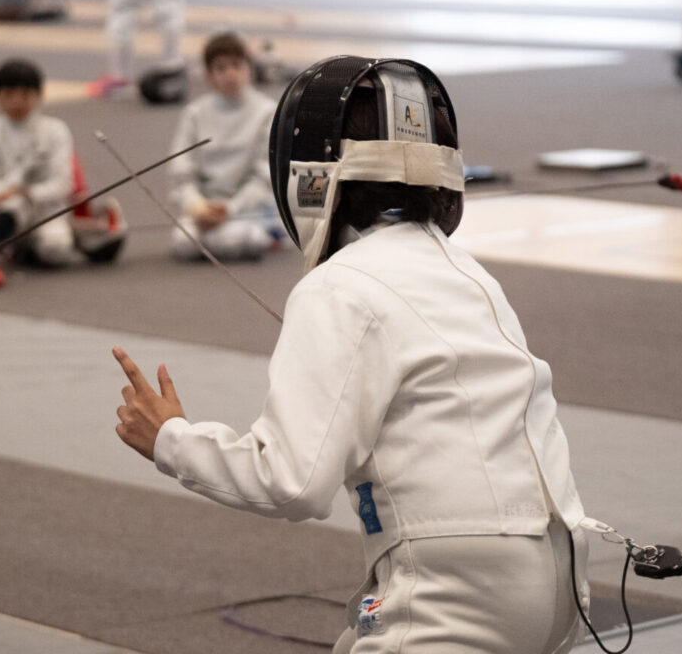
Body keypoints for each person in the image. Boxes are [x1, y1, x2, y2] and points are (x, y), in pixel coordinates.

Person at [113, 56, 589, 653]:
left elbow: (292, 481)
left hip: (455, 586)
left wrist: (170, 439)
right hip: (559, 576)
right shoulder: (468, 274)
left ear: (313, 173)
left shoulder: (337, 287)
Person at [0, 58, 124, 288]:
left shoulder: (55, 130)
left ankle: (24, 248)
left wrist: (27, 192)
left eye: (25, 94)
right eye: (9, 94)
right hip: (6, 216)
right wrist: (16, 186)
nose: (18, 101)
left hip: (50, 211)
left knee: (56, 250)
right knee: (14, 205)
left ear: (39, 95)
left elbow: (63, 184)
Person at [165, 32, 276, 262]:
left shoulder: (268, 112)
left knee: (240, 238)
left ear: (249, 68)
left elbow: (265, 176)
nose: (230, 74)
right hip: (204, 212)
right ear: (209, 75)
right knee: (184, 241)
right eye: (221, 68)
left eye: (237, 65)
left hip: (248, 210)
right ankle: (216, 236)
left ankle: (255, 234)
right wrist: (197, 207)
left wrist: (231, 209)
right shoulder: (195, 113)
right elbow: (181, 172)